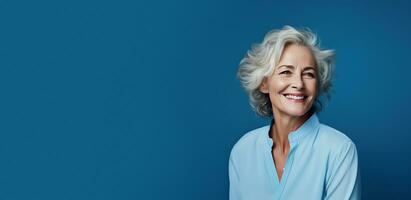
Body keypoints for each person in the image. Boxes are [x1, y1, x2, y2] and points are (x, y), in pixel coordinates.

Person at [230, 25, 361, 200]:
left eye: (308, 74)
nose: (298, 84)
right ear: (264, 83)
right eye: (286, 72)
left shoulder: (339, 150)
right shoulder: (243, 151)